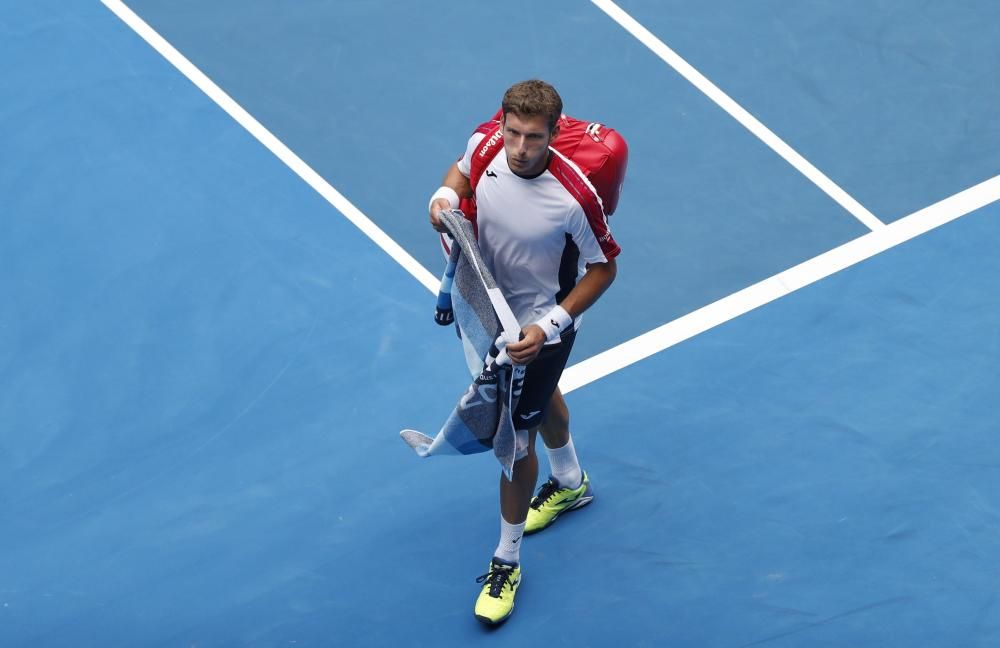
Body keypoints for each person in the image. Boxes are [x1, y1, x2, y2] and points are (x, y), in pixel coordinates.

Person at [427, 79, 621, 625]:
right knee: (540, 401)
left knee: (514, 441)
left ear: (553, 135)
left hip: (542, 329)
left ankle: (506, 560)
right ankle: (570, 483)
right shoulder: (485, 143)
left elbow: (604, 268)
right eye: (512, 132)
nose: (518, 148)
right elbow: (459, 173)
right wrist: (443, 199)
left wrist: (551, 325)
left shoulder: (575, 196)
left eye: (533, 138)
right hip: (492, 310)